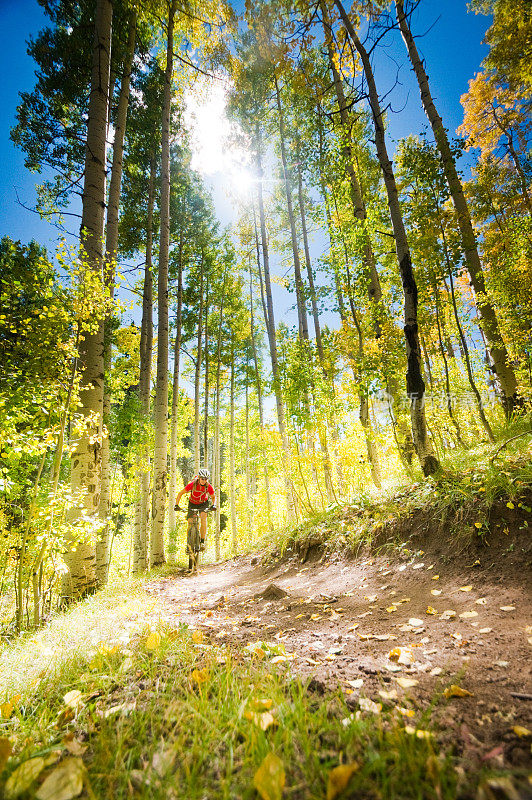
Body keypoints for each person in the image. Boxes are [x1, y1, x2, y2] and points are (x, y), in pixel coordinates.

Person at [175, 468, 216, 551]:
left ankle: (202, 542)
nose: (204, 481)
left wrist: (213, 505)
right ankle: (188, 544)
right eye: (202, 479)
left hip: (203, 504)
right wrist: (176, 505)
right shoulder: (192, 484)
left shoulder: (208, 486)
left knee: (203, 518)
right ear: (199, 478)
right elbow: (180, 493)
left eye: (205, 479)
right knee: (190, 522)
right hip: (192, 503)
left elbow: (213, 496)